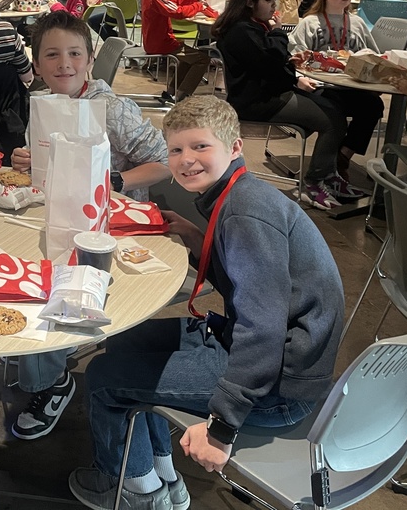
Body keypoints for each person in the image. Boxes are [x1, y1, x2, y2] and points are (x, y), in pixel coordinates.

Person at [69, 95, 343, 510]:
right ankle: (161, 471)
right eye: (176, 149)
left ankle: (131, 489)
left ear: (235, 148)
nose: (186, 159)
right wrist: (201, 241)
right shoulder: (240, 195)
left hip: (279, 385)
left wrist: (222, 428)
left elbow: (264, 326)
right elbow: (252, 286)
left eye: (200, 147)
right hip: (269, 353)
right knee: (126, 341)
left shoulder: (246, 214)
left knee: (105, 377)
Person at [9, 11, 170, 442]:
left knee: (52, 280)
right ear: (37, 64)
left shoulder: (113, 109)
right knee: (17, 266)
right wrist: (27, 161)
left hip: (109, 226)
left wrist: (116, 180)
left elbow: (166, 162)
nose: (65, 63)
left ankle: (51, 379)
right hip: (53, 215)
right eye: (52, 55)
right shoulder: (42, 106)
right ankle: (35, 354)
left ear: (90, 57)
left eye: (74, 53)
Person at [212, 0, 361, 210]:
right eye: (269, 0)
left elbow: (272, 63)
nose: (274, 5)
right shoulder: (243, 31)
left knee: (334, 107)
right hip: (258, 102)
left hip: (267, 94)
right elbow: (271, 64)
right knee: (333, 121)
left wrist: (290, 66)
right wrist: (279, 33)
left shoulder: (250, 26)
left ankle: (329, 174)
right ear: (250, 2)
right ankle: (314, 182)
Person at [289, 0, 384, 181]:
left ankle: (344, 155)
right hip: (322, 86)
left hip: (352, 85)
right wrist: (300, 78)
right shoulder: (310, 23)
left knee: (374, 106)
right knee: (334, 111)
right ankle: (325, 169)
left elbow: (373, 55)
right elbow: (294, 56)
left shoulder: (357, 23)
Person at [139, 0, 215, 102]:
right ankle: (182, 98)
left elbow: (172, 1)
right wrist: (199, 7)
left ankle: (172, 92)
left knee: (188, 59)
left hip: (158, 41)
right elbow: (178, 12)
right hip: (161, 43)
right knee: (202, 60)